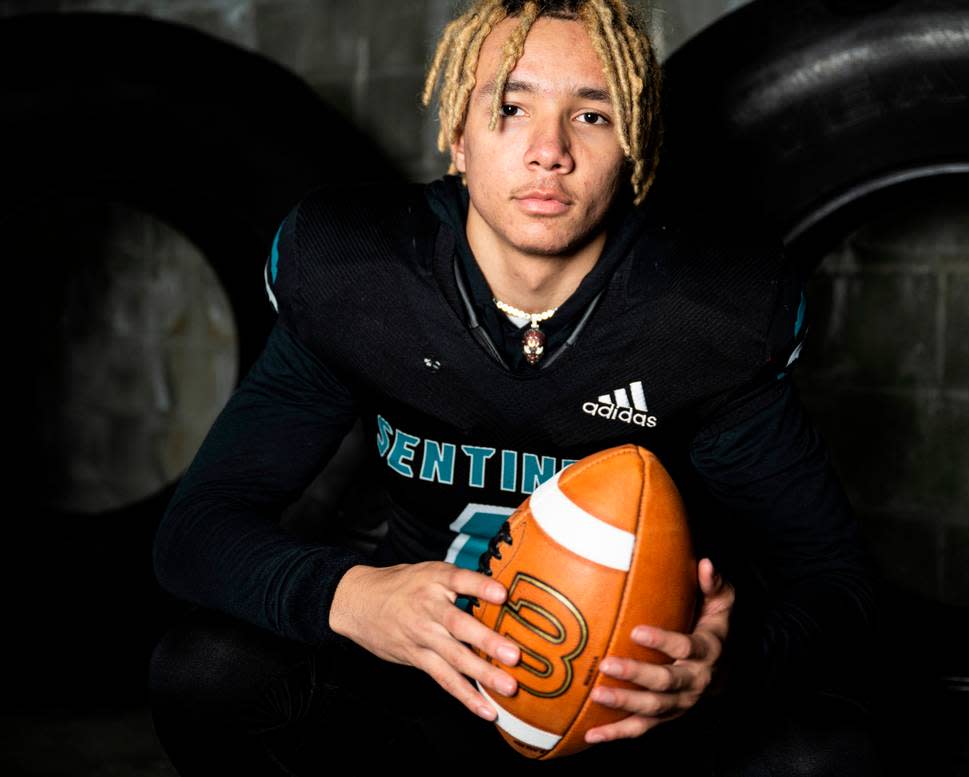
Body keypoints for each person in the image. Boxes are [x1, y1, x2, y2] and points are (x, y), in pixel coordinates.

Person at [149, 1, 881, 774]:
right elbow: (194, 530)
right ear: (459, 140)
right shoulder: (361, 278)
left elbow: (842, 590)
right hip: (422, 688)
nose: (549, 151)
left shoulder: (704, 316)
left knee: (823, 751)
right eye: (510, 106)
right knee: (205, 671)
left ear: (633, 146)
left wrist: (722, 658)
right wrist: (353, 595)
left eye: (592, 115)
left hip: (622, 712)